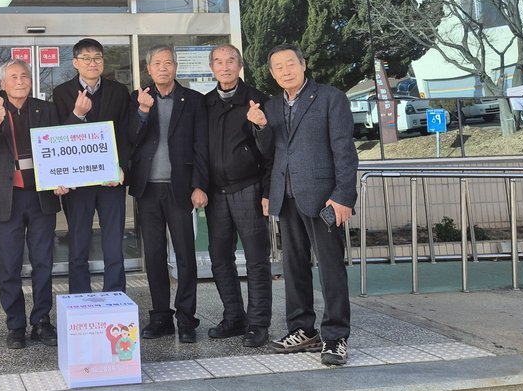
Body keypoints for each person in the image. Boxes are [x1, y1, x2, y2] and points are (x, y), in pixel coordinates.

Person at [253, 44, 358, 367]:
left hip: (324, 197)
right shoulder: (271, 106)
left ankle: (336, 336)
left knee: (330, 268)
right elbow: (269, 154)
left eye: (290, 64)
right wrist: (261, 127)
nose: (285, 71)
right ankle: (302, 329)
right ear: (272, 74)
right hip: (286, 197)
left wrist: (344, 195)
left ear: (304, 64)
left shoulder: (330, 98)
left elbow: (344, 150)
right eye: (278, 67)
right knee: (293, 266)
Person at [0, 59, 61, 348]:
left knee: (43, 262)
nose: (20, 81)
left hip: (41, 195)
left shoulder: (46, 109)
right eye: (13, 77)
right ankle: (16, 325)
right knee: (9, 265)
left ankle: (41, 321)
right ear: (3, 84)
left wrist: (62, 177)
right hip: (8, 198)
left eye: (24, 76)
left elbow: (60, 147)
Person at [125, 45, 207, 343]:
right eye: (157, 63)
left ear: (176, 67)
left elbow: (201, 144)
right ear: (149, 68)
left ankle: (186, 318)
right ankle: (160, 316)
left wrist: (199, 185)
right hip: (148, 188)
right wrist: (142, 112)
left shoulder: (193, 100)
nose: (163, 68)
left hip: (180, 187)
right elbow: (129, 139)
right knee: (154, 255)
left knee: (185, 254)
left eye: (168, 63)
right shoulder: (137, 98)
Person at [201, 44, 273, 347]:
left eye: (230, 60)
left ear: (240, 65)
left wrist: (267, 192)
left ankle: (258, 323)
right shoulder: (205, 103)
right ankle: (234, 317)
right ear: (212, 68)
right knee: (220, 258)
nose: (225, 66)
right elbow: (198, 150)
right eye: (218, 61)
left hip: (249, 189)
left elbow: (271, 152)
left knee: (256, 259)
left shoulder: (257, 100)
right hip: (215, 194)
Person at [52, 38, 130, 294]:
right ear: (75, 63)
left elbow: (126, 134)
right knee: (78, 242)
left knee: (113, 243)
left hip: (110, 179)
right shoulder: (62, 92)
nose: (92, 63)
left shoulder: (119, 91)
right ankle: (79, 297)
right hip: (78, 182)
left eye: (97, 58)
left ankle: (115, 294)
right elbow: (58, 137)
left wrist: (122, 166)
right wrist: (77, 114)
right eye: (86, 58)